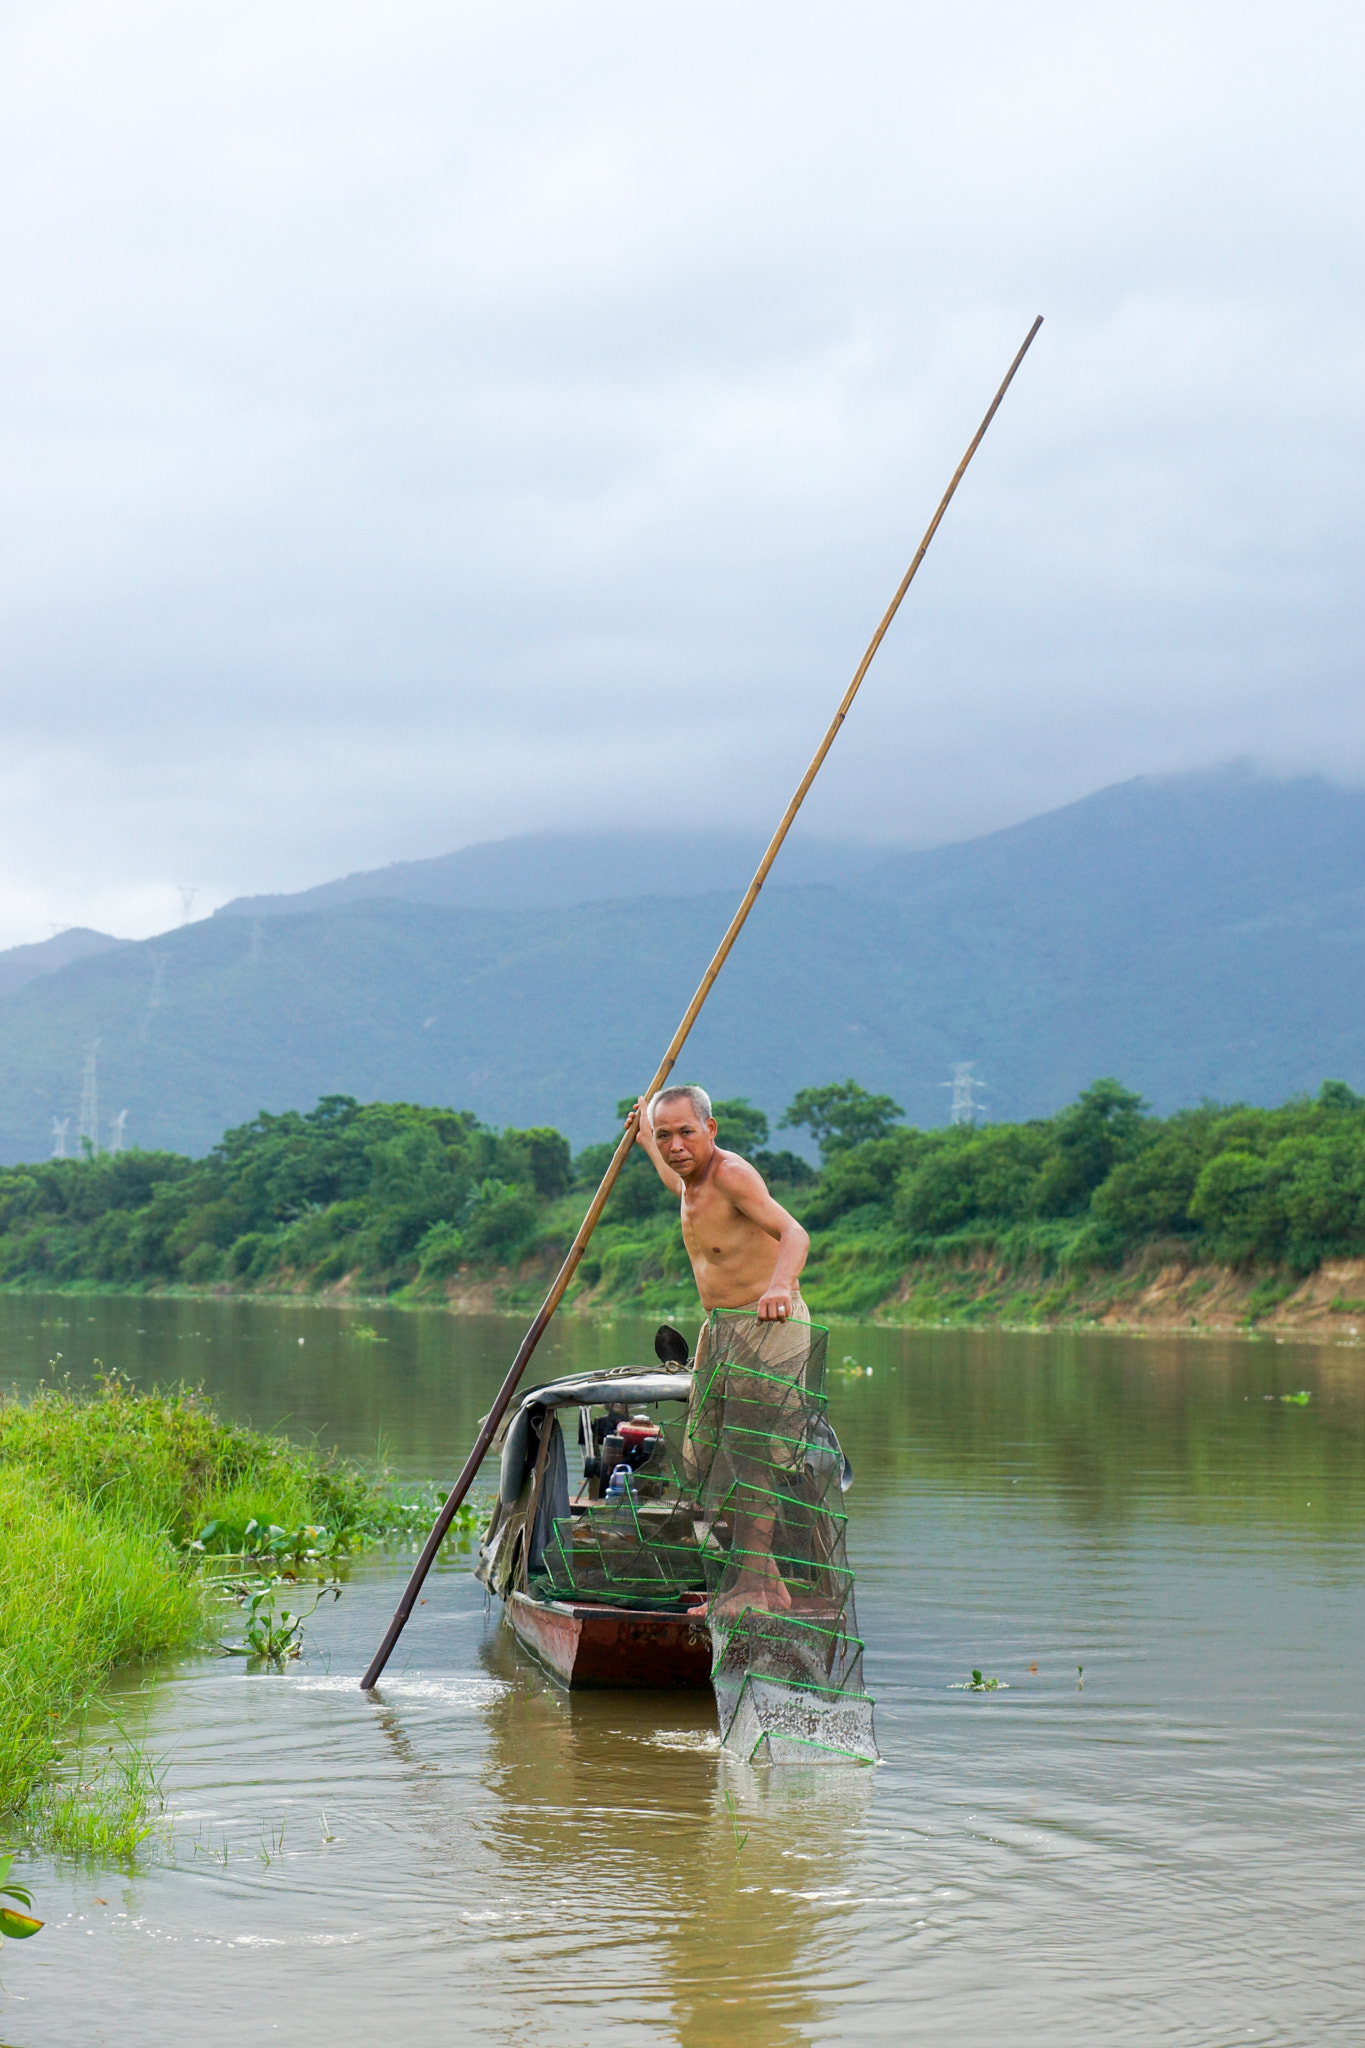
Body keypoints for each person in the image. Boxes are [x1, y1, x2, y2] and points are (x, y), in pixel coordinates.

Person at [630, 1083, 811, 1611]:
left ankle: (753, 1591)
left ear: (711, 1129)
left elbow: (794, 1232)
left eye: (686, 1132)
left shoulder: (731, 1174)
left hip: (767, 1324)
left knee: (752, 1456)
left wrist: (780, 1284)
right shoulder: (690, 1181)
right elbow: (672, 1176)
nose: (675, 1145)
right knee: (710, 1456)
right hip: (722, 1329)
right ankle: (765, 1584)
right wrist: (643, 1134)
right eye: (666, 1136)